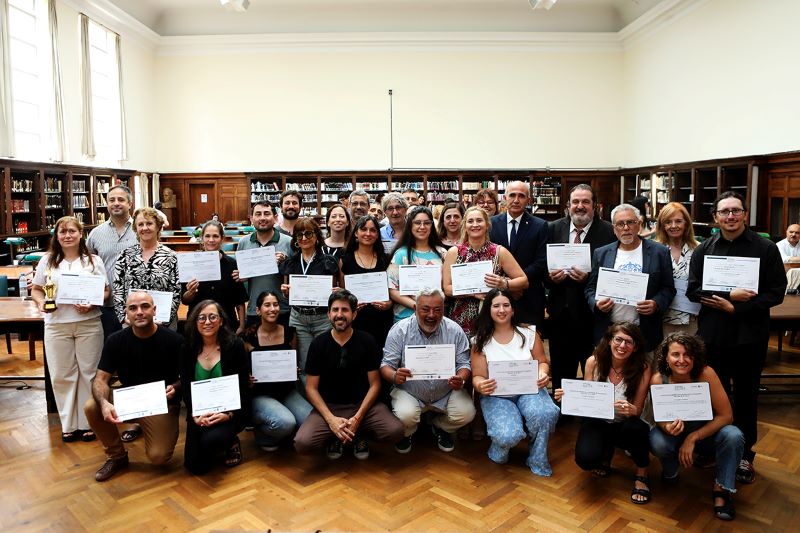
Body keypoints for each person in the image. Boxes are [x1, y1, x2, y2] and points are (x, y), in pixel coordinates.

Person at [687, 191, 786, 484]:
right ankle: (710, 447)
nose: (730, 216)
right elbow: (694, 290)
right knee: (710, 397)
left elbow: (776, 292)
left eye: (735, 211)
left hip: (749, 338)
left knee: (745, 398)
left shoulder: (765, 248)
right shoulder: (704, 249)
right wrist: (730, 296)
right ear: (715, 218)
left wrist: (738, 308)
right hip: (713, 338)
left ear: (744, 214)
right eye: (724, 212)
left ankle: (745, 455)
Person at [84, 291, 183, 481]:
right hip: (129, 400)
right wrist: (105, 403)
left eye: (145, 306)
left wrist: (176, 387)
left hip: (162, 404)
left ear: (154, 310)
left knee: (159, 457)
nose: (139, 312)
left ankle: (152, 431)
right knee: (92, 406)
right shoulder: (115, 340)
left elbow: (188, 377)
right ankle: (117, 456)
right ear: (126, 313)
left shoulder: (174, 340)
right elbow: (100, 380)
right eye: (133, 308)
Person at [294, 290, 405, 459]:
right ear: (328, 314)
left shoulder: (367, 341)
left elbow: (375, 384)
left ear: (354, 314)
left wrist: (358, 418)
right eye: (335, 310)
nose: (340, 315)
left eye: (345, 310)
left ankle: (359, 434)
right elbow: (311, 388)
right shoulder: (318, 344)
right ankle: (335, 435)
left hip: (364, 407)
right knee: (303, 443)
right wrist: (331, 420)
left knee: (395, 431)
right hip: (329, 407)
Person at [648, 333, 744, 521]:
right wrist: (667, 426)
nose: (682, 360)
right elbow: (658, 417)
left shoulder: (706, 373)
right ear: (666, 357)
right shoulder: (658, 379)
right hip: (675, 435)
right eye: (676, 354)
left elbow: (727, 416)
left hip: (706, 434)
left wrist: (693, 438)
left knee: (734, 435)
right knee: (656, 440)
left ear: (695, 357)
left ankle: (722, 489)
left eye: (688, 355)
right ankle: (671, 470)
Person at [554, 322, 653, 504]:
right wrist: (568, 397)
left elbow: (638, 410)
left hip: (626, 422)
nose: (622, 346)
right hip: (599, 419)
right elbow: (586, 402)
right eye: (618, 339)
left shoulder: (643, 368)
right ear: (609, 340)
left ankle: (642, 472)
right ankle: (605, 453)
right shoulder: (594, 361)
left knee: (637, 429)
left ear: (636, 346)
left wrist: (632, 409)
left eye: (628, 342)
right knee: (585, 460)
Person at [31, 216, 107, 443]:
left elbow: (106, 292)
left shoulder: (93, 261)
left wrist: (93, 302)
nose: (67, 236)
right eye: (62, 232)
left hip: (89, 323)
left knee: (89, 373)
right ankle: (68, 424)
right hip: (56, 325)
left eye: (72, 231)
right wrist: (40, 302)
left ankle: (87, 422)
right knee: (62, 374)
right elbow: (37, 289)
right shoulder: (47, 261)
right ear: (57, 236)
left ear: (81, 234)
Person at [471, 289, 559, 475]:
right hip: (497, 396)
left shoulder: (528, 333)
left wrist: (542, 374)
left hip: (529, 390)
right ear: (489, 309)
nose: (501, 310)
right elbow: (477, 376)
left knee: (545, 413)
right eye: (496, 306)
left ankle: (537, 457)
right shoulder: (480, 340)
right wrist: (480, 385)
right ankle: (499, 448)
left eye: (506, 305)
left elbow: (542, 362)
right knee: (507, 435)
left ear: (512, 309)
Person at [381, 288, 475, 453]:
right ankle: (408, 432)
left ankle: (439, 426)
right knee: (405, 415)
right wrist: (395, 376)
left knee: (467, 412)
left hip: (445, 392)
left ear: (443, 309)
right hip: (411, 392)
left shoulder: (455, 330)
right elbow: (385, 366)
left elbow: (464, 364)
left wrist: (461, 378)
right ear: (415, 308)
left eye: (437, 310)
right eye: (425, 309)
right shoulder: (399, 330)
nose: (431, 315)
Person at [547, 184, 616, 390]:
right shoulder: (553, 228)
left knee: (595, 368)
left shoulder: (609, 232)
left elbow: (612, 272)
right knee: (561, 367)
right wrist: (551, 278)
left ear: (595, 206)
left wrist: (588, 278)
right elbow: (543, 267)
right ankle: (563, 412)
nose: (580, 206)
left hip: (593, 316)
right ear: (568, 205)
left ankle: (591, 414)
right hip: (560, 314)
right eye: (575, 202)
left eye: (585, 202)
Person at [586, 203, 676, 353]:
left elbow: (668, 288)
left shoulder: (659, 252)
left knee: (643, 374)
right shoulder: (601, 253)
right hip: (609, 331)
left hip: (643, 332)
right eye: (620, 224)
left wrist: (656, 303)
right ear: (614, 229)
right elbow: (590, 288)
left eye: (631, 222)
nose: (626, 228)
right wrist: (596, 304)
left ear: (639, 225)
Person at [180, 300, 250, 474]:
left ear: (222, 321)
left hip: (230, 411)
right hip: (199, 411)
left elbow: (243, 387)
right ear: (195, 322)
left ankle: (231, 441)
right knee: (194, 466)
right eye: (201, 318)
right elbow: (186, 388)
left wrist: (229, 414)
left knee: (212, 440)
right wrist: (194, 415)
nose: (207, 322)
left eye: (213, 317)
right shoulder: (187, 348)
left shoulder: (235, 346)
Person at [241, 291, 312, 451]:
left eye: (275, 304)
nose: (272, 309)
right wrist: (246, 378)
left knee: (310, 421)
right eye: (267, 305)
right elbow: (241, 370)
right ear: (258, 310)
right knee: (286, 423)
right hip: (260, 395)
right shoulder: (247, 337)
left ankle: (281, 430)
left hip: (286, 391)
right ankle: (263, 436)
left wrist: (294, 369)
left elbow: (294, 360)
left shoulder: (290, 333)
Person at [443, 206, 528, 335]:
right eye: (470, 221)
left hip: (493, 317)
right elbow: (447, 289)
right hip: (460, 317)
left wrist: (504, 283)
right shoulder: (454, 252)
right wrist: (473, 293)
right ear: (464, 225)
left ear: (487, 225)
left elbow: (524, 281)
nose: (475, 225)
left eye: (479, 220)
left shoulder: (499, 252)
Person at [280, 217, 340, 378]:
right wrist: (285, 290)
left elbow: (335, 292)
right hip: (298, 318)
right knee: (305, 362)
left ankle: (327, 398)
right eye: (299, 235)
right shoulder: (290, 262)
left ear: (317, 236)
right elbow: (286, 293)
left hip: (322, 318)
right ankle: (308, 401)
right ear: (295, 239)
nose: (304, 238)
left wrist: (337, 291)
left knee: (326, 360)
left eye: (308, 234)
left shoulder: (329, 262)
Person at [488, 181, 549, 327]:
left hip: (530, 295)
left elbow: (542, 261)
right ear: (504, 198)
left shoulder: (540, 226)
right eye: (512, 195)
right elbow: (488, 256)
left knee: (529, 345)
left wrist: (516, 283)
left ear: (528, 200)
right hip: (498, 296)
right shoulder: (491, 224)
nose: (516, 200)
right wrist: (506, 284)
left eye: (521, 196)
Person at [113, 207, 181, 327]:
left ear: (158, 227)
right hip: (132, 323)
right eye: (140, 224)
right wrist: (123, 317)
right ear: (136, 228)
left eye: (149, 223)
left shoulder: (171, 256)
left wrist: (165, 320)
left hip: (163, 324)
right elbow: (118, 288)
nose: (145, 228)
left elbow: (176, 291)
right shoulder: (124, 255)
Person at [87, 184, 137, 338]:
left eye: (121, 200)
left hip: (135, 305)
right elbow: (87, 265)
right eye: (112, 200)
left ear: (130, 203)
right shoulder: (96, 234)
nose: (116, 203)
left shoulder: (141, 229)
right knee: (109, 349)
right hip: (106, 306)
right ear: (107, 204)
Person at [181, 220, 249, 334]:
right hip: (198, 325)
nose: (211, 240)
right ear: (202, 238)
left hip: (226, 324)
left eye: (215, 236)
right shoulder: (190, 263)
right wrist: (191, 292)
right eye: (207, 236)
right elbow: (185, 300)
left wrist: (241, 326)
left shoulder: (232, 264)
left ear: (222, 238)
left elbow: (239, 299)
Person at [234, 201, 293, 327]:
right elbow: (241, 277)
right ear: (251, 218)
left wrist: (285, 264)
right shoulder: (243, 242)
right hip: (254, 309)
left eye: (267, 214)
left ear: (276, 217)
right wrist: (240, 276)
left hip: (282, 309)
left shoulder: (289, 242)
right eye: (258, 214)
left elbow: (297, 273)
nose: (262, 218)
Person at [339, 215, 393, 345]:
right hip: (356, 321)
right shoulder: (345, 260)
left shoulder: (385, 259)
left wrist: (389, 304)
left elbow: (392, 290)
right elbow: (344, 292)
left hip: (382, 320)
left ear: (377, 235)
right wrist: (351, 304)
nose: (368, 233)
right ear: (356, 233)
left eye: (373, 230)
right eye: (363, 229)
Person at [387, 206, 447, 322]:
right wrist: (417, 306)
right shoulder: (401, 254)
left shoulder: (442, 254)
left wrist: (429, 308)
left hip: (435, 318)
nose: (422, 227)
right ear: (410, 226)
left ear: (432, 226)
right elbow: (392, 290)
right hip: (405, 317)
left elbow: (446, 287)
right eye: (417, 223)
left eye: (427, 223)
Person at [654, 202, 700, 335]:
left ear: (686, 223)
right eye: (668, 222)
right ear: (662, 225)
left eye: (678, 221)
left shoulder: (699, 249)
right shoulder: (653, 250)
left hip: (691, 319)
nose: (673, 226)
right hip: (660, 319)